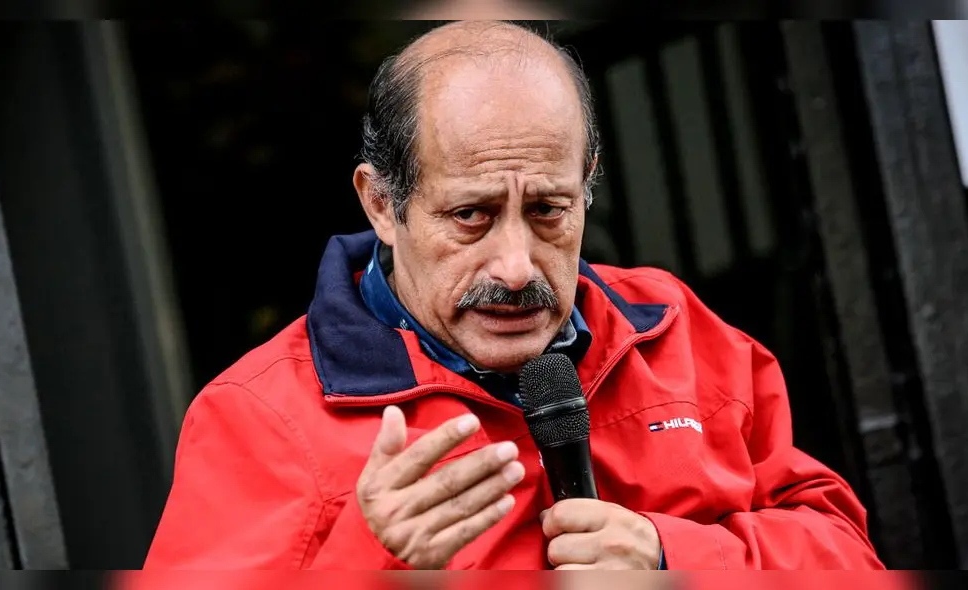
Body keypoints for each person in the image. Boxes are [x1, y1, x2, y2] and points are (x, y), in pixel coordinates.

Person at [143, 21, 885, 570]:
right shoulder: (259, 419)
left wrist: (673, 559)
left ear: (588, 181)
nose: (516, 265)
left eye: (548, 211)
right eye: (471, 215)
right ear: (380, 205)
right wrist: (372, 565)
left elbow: (853, 562)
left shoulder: (671, 329)